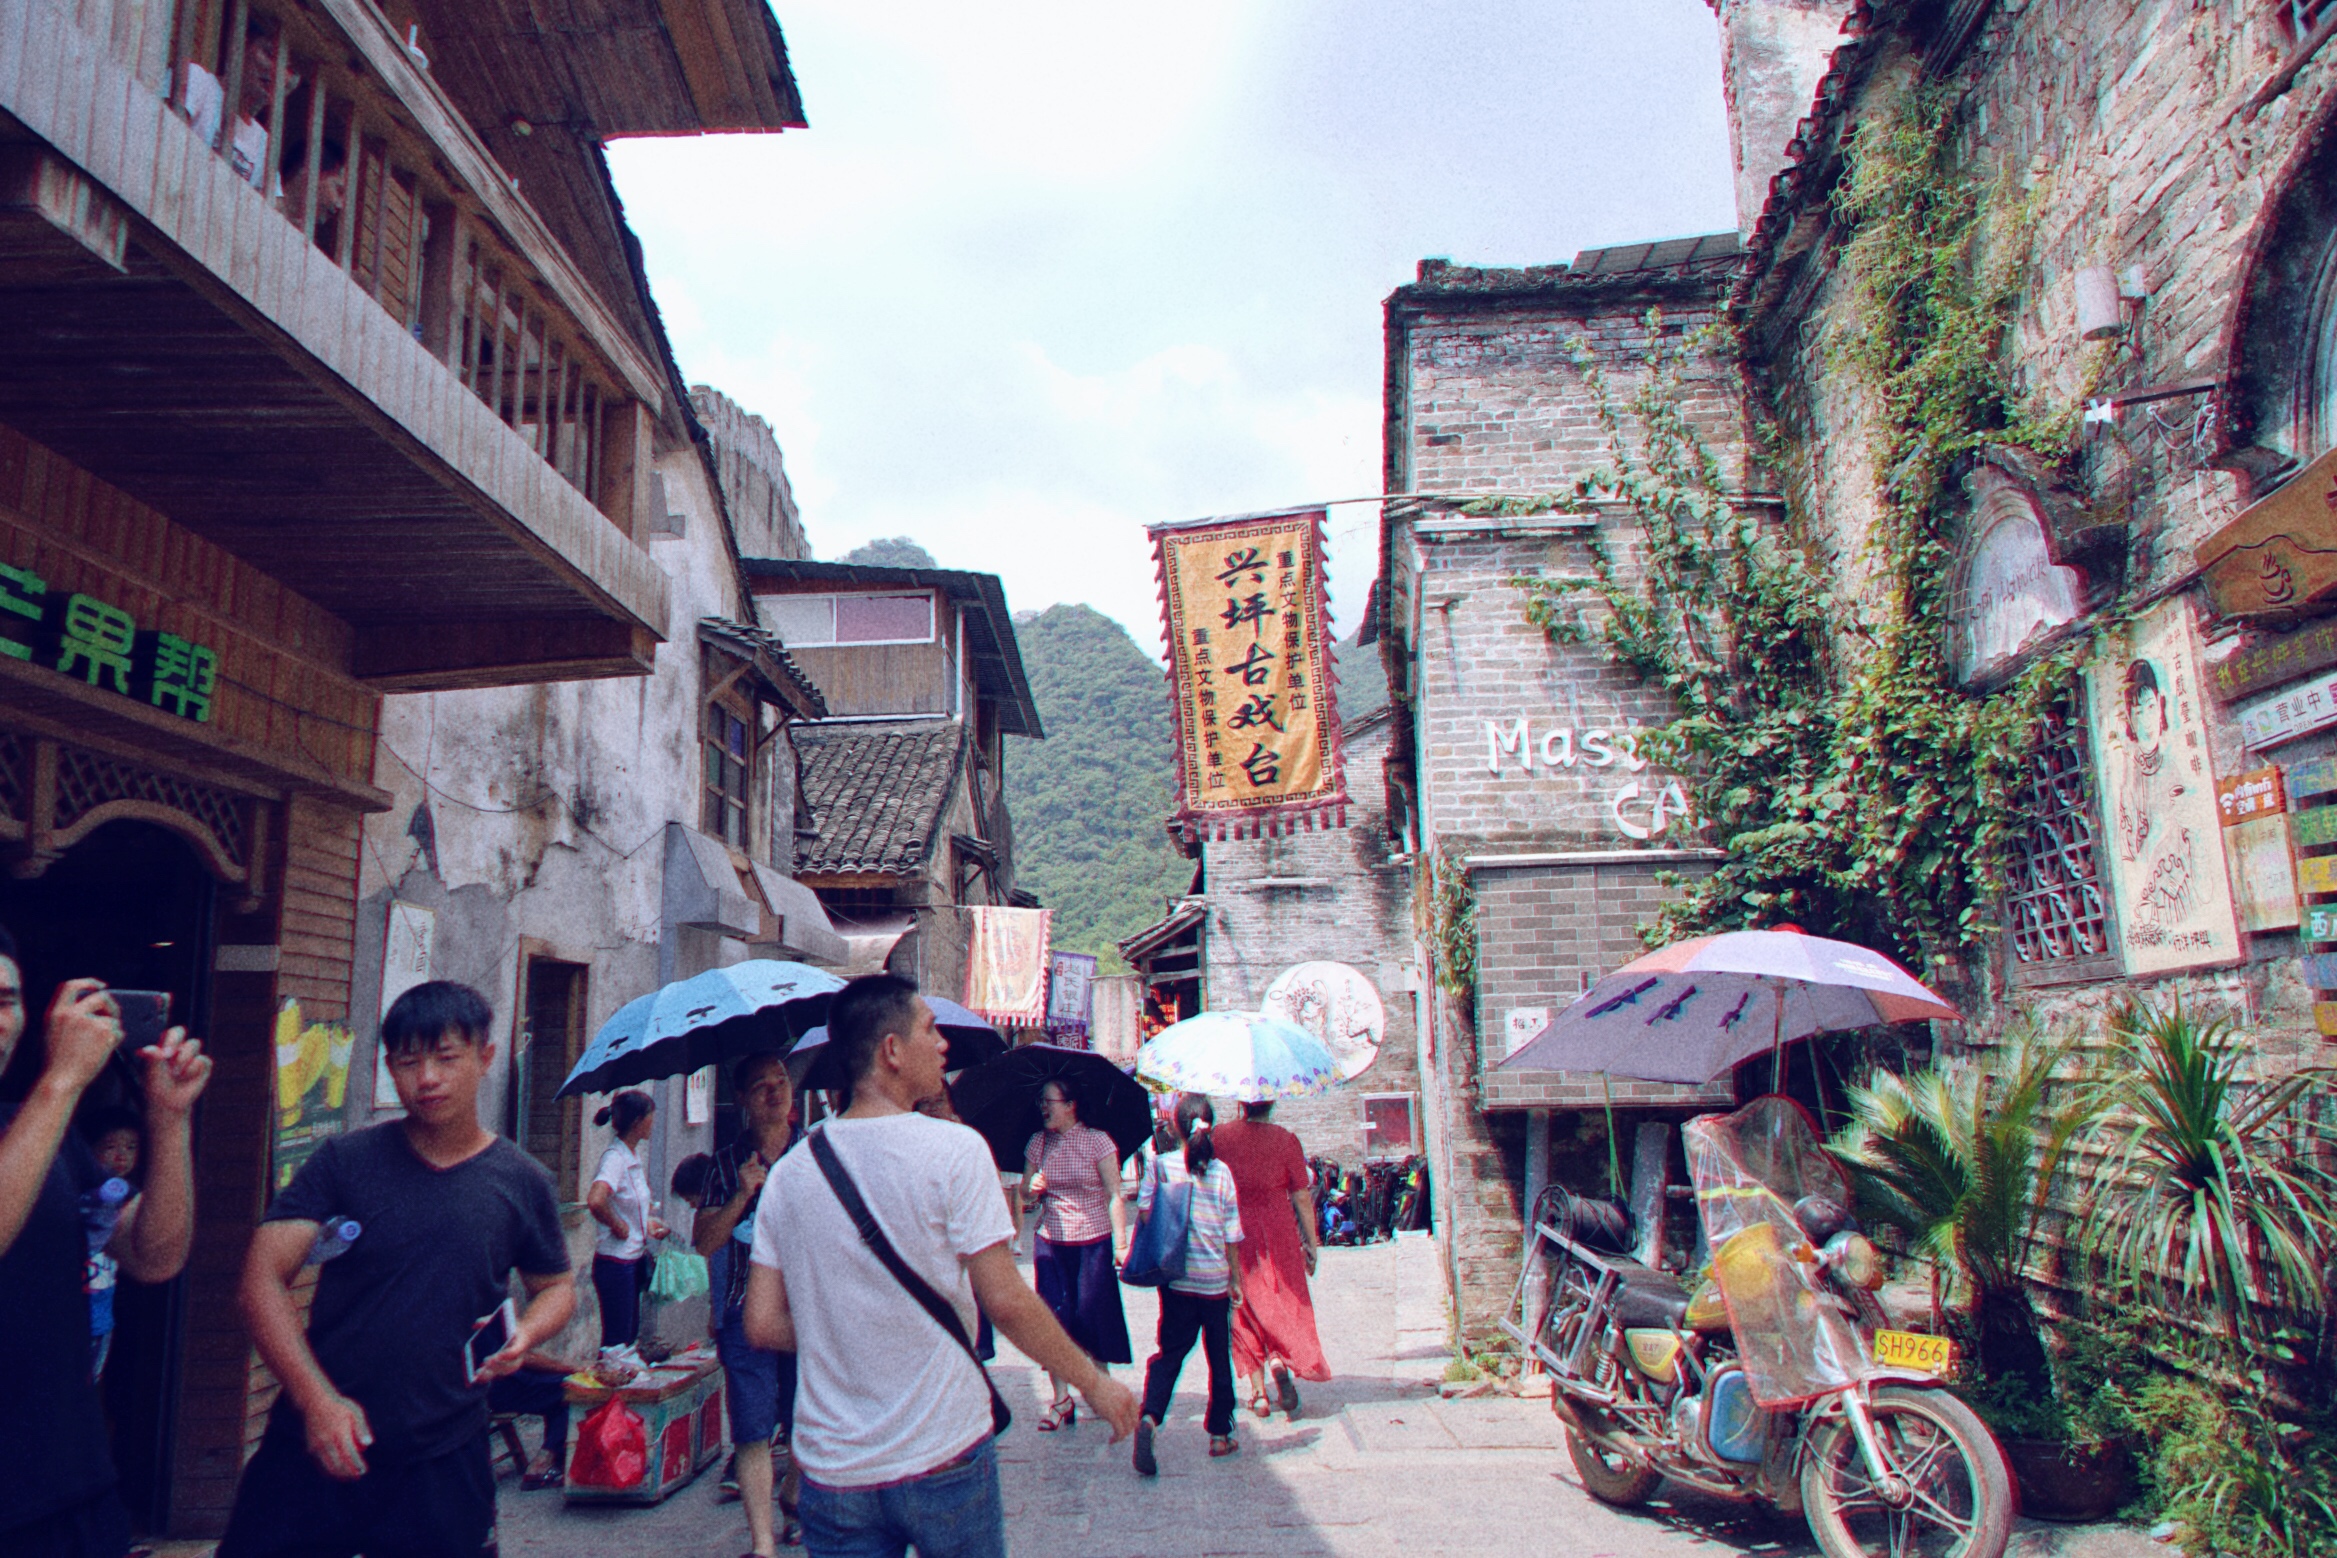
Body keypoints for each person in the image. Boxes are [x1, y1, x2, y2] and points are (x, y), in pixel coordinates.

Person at [745, 974, 1138, 1558]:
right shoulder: (955, 1152)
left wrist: (849, 1328)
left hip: (834, 1469)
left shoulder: (793, 1172)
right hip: (944, 1453)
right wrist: (1094, 1385)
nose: (943, 1045)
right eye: (929, 1029)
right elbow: (1004, 1301)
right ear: (892, 1051)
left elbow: (762, 1324)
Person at [217, 980, 575, 1558]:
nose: (427, 1078)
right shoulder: (344, 1162)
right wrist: (316, 1401)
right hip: (316, 1442)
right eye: (407, 1062)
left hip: (443, 1456)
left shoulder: (521, 1180)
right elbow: (260, 1279)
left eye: (446, 1058)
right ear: (389, 1067)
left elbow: (556, 1286)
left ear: (485, 1058)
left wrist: (527, 1335)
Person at [0, 929, 209, 1558]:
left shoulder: (37, 1127)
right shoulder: (47, 1108)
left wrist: (168, 1119)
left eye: (5, 999)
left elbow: (154, 1254)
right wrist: (61, 1080)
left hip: (72, 1486)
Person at [696, 1053, 801, 1555]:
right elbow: (705, 1241)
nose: (774, 1092)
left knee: (807, 1418)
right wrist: (742, 1194)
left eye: (780, 1081)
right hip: (743, 1311)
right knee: (753, 1427)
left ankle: (795, 1493)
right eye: (760, 1085)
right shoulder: (723, 1164)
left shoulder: (815, 1156)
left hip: (807, 1311)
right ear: (741, 1099)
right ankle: (763, 1544)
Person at [1132, 1094, 1245, 1475]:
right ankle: (1219, 1435)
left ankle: (1150, 1417)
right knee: (1219, 1355)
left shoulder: (1161, 1166)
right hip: (1214, 1282)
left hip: (1177, 1279)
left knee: (1171, 1352)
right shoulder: (1222, 1173)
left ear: (1176, 1126)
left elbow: (1145, 1212)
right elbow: (1232, 1232)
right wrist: (1236, 1279)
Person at [1019, 1080, 1131, 1430]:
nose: (1043, 1108)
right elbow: (1024, 1196)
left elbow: (1116, 1194)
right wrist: (1032, 1188)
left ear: (1071, 1105)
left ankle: (1101, 1389)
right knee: (1052, 1320)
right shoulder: (1037, 1143)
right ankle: (1061, 1399)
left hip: (1092, 1239)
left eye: (1049, 1101)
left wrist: (1121, 1243)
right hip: (1051, 1240)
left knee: (1093, 1315)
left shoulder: (1098, 1141)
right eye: (1040, 1101)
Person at [1213, 1101, 1329, 1419]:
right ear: (1272, 1103)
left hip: (1237, 1230)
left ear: (1240, 1104)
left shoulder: (1220, 1138)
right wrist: (1312, 1241)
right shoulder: (1285, 1140)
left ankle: (1259, 1395)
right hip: (1279, 1231)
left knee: (1244, 1306)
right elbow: (1301, 1196)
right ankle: (1278, 1359)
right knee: (1281, 1298)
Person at [586, 1089, 665, 1351]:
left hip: (632, 1260)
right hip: (615, 1264)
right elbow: (597, 1200)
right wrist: (617, 1225)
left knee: (628, 1339)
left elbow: (629, 1204)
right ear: (637, 1121)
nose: (653, 1123)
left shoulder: (632, 1155)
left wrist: (646, 1226)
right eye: (651, 1117)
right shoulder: (615, 1158)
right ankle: (611, 1391)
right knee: (617, 1343)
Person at [177, 19, 290, 190]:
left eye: (287, 67)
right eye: (269, 54)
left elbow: (274, 208)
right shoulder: (198, 81)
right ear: (240, 47)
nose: (276, 71)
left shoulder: (264, 143)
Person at [83, 1106, 144, 1383]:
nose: (122, 1155)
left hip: (102, 1306)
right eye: (110, 1146)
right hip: (74, 1304)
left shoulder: (129, 1193)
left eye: (131, 1147)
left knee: (91, 1377)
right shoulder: (82, 1187)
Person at [485, 1351, 574, 1491]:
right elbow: (524, 1356)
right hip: (496, 1386)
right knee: (571, 1388)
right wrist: (571, 1368)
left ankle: (553, 1459)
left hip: (488, 1385)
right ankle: (541, 1464)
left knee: (558, 1393)